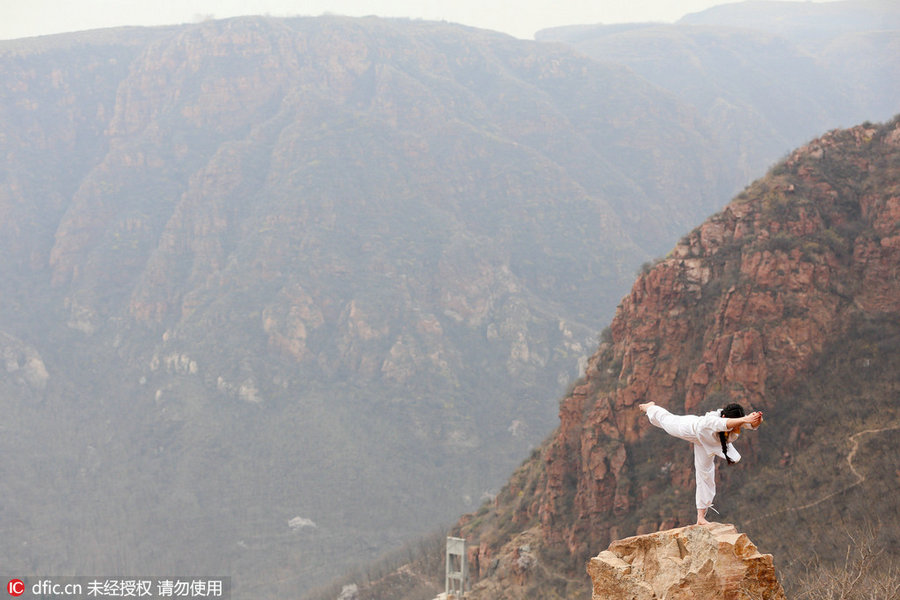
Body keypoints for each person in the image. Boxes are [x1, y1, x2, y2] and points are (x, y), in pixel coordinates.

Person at [638, 400, 763, 525]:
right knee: (666, 420)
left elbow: (750, 424)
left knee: (705, 473)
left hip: (707, 443)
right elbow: (728, 423)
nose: (737, 427)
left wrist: (757, 418)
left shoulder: (736, 421)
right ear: (724, 417)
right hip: (690, 429)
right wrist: (746, 419)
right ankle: (650, 407)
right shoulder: (712, 421)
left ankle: (700, 517)